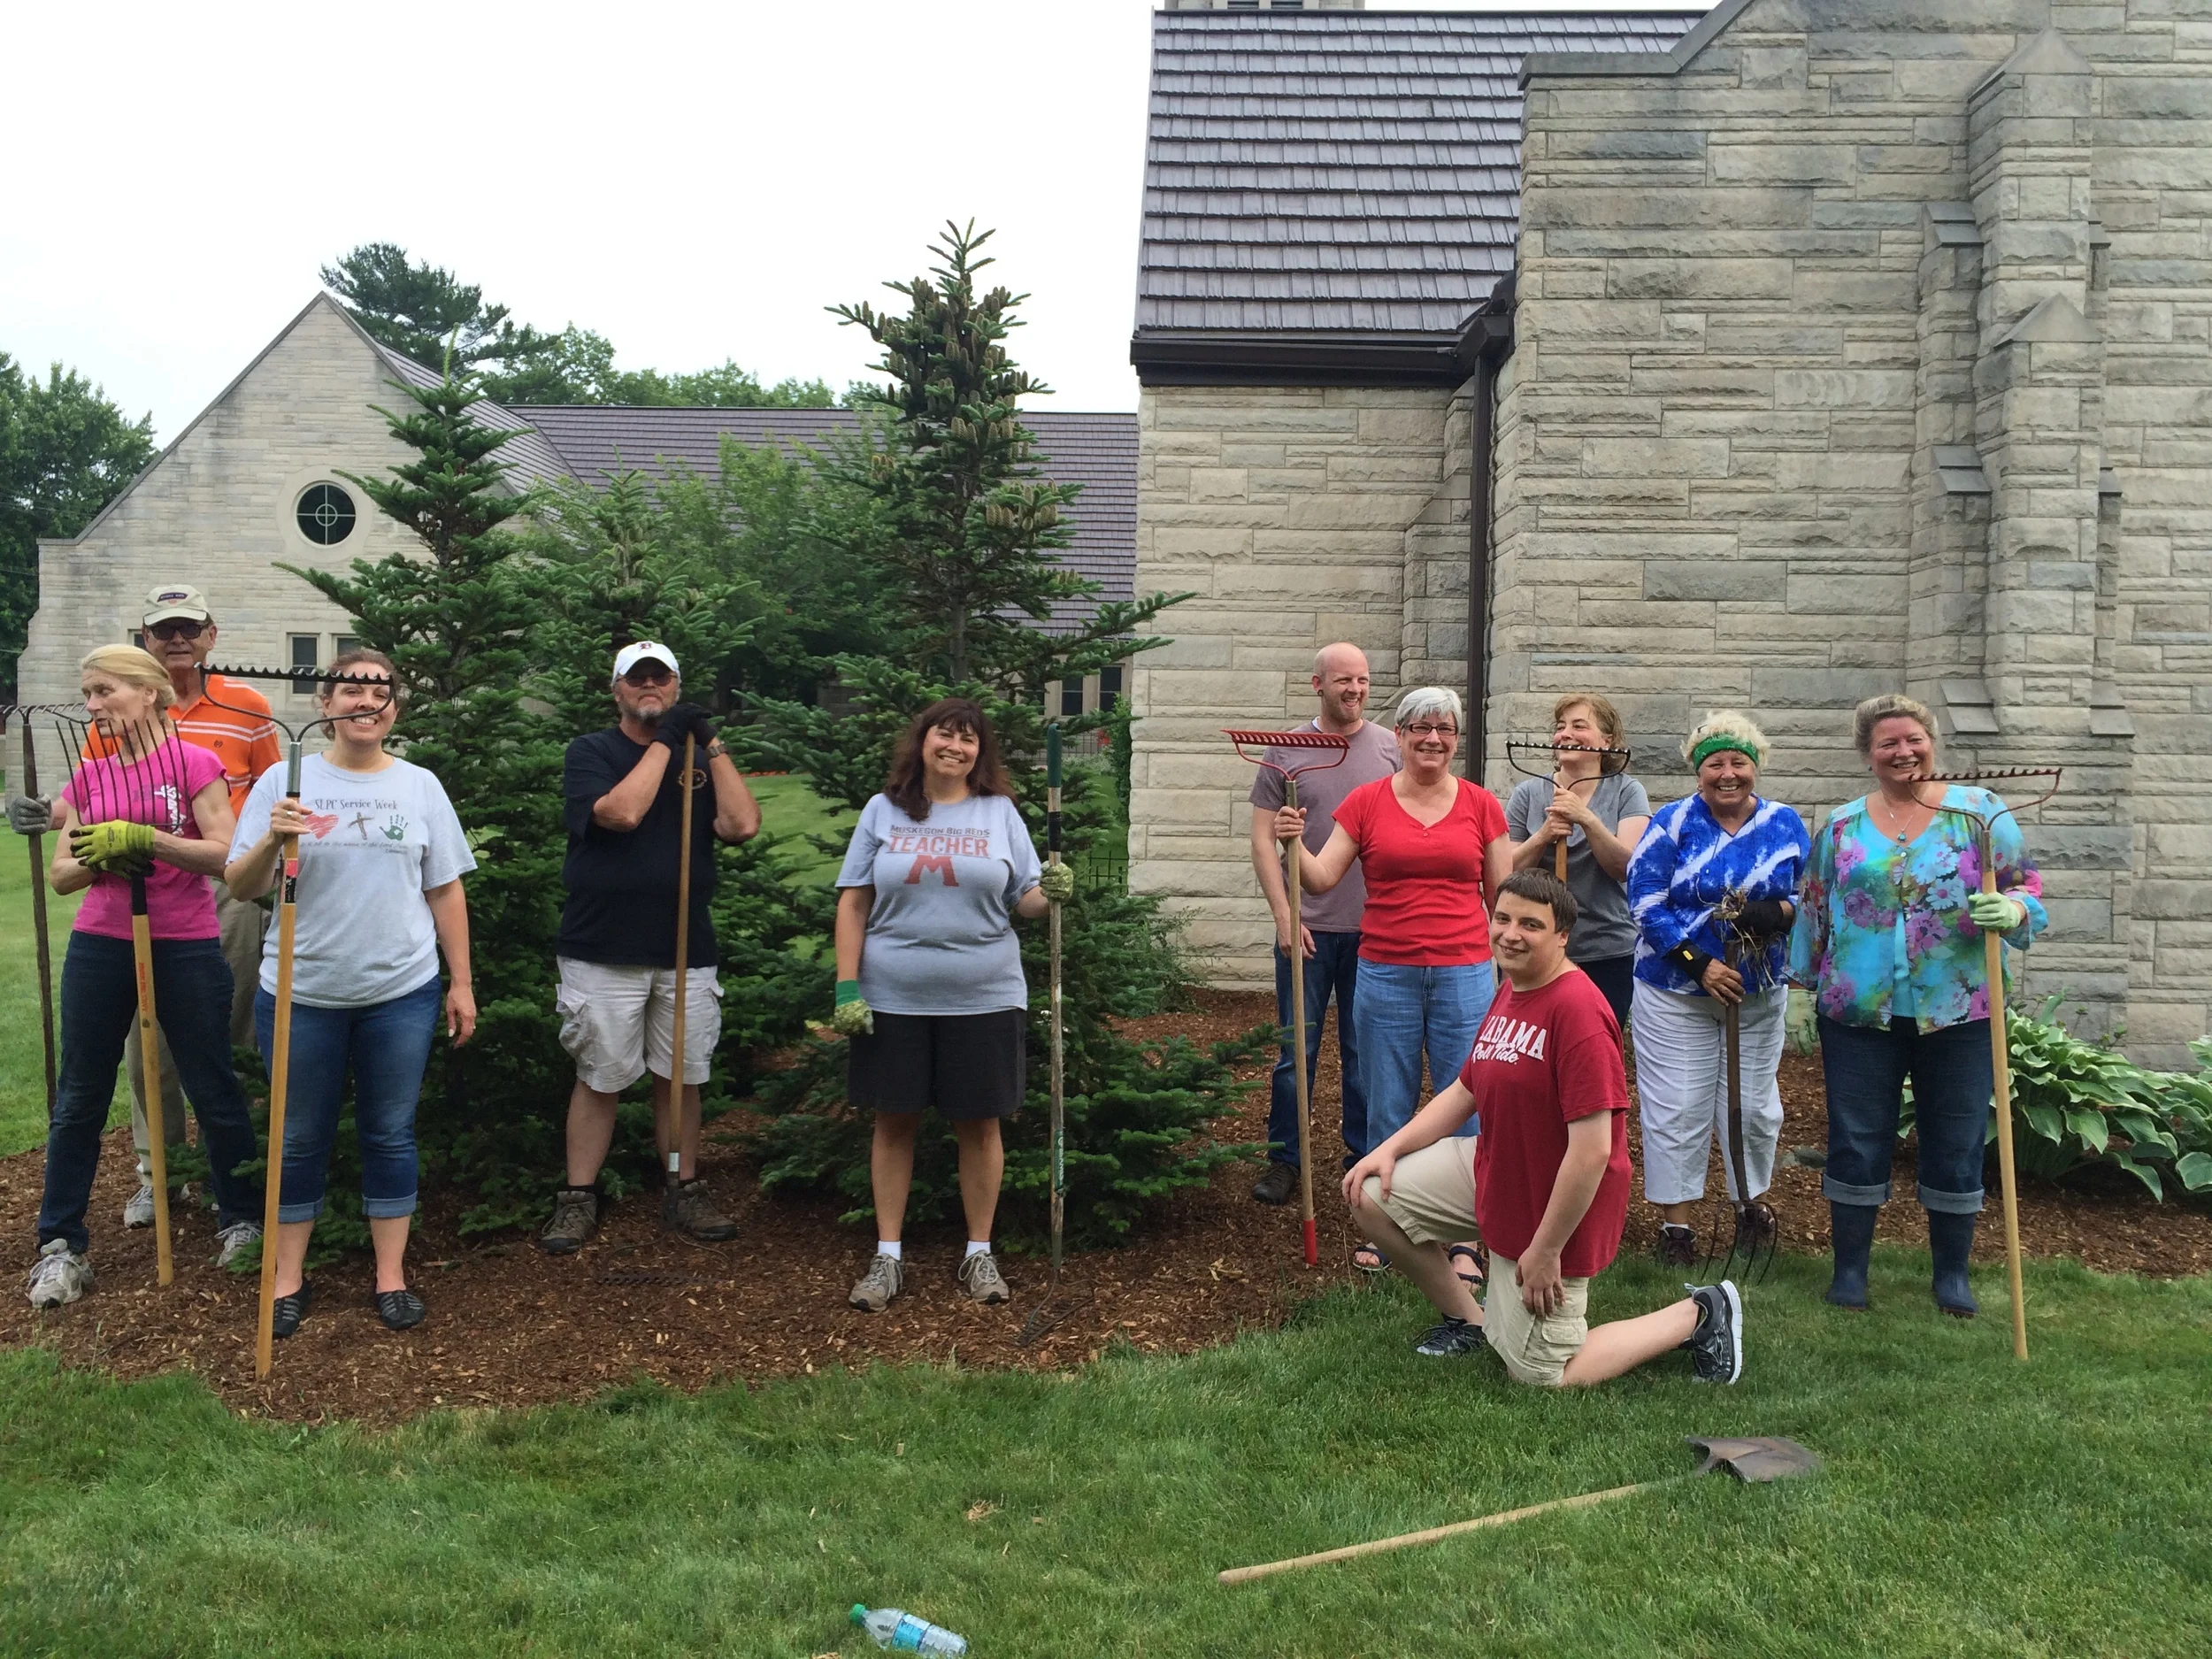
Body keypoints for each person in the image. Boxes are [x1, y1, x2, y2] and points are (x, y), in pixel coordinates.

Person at [1341, 870, 1743, 1384]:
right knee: (1371, 1193)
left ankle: (1701, 1314)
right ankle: (1470, 1320)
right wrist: (1388, 1149)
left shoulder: (1578, 1012)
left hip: (1556, 1207)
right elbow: (1465, 1091)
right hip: (1498, 1171)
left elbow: (1593, 1152)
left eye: (1530, 924)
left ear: (1562, 936)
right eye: (1503, 918)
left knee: (1543, 1376)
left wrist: (1546, 1249)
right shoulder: (1511, 989)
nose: (1510, 933)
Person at [5, 584, 278, 1230]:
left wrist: (156, 840)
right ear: (149, 639)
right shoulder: (99, 755)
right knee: (131, 1061)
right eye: (164, 628)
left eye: (105, 692)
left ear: (209, 633)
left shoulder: (240, 714)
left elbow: (257, 807)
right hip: (112, 927)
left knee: (218, 1057)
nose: (177, 637)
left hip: (212, 904)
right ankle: (154, 1180)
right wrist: (50, 820)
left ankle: (231, 1194)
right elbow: (69, 837)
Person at [225, 650, 476, 1335]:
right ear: (325, 703)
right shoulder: (286, 777)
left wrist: (461, 981)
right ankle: (286, 1281)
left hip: (400, 991)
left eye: (380, 690)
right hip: (301, 992)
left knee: (389, 1133)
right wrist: (274, 841)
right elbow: (243, 888)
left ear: (395, 705)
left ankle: (390, 1276)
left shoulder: (420, 786)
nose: (366, 700)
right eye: (351, 688)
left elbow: (445, 886)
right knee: (299, 1137)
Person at [1789, 694, 2047, 1316]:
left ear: (1932, 742)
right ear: (1868, 755)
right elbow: (1816, 901)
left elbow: (2026, 889)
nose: (1903, 751)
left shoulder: (1978, 813)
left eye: (1913, 739)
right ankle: (1849, 1271)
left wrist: (2012, 911)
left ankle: (1950, 1275)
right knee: (1855, 1136)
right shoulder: (1845, 825)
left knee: (1955, 1139)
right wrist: (1804, 980)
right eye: (1887, 743)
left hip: (1959, 1009)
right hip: (1858, 1013)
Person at [833, 699, 1074, 1311]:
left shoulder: (1000, 813)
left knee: (980, 1122)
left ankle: (978, 1251)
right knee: (893, 1121)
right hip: (893, 994)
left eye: (968, 739)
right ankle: (887, 1256)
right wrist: (846, 985)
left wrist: (1053, 893)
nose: (955, 747)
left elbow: (1025, 898)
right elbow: (854, 903)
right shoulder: (882, 811)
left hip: (985, 994)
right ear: (922, 742)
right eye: (946, 734)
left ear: (979, 753)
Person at [1275, 685, 1509, 1277]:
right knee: (1388, 1104)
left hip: (1465, 975)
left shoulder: (1483, 805)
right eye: (1420, 727)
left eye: (1445, 729)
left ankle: (1465, 1235)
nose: (1433, 738)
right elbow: (1323, 877)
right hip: (1386, 973)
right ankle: (1389, 1225)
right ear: (1399, 735)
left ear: (1456, 739)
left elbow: (1501, 900)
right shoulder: (1366, 801)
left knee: (1470, 1105)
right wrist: (1291, 841)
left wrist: (1512, 973)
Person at [540, 641, 762, 1255]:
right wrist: (667, 739)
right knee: (600, 1075)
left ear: (675, 683)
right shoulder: (592, 752)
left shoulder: (698, 752)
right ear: (616, 689)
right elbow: (622, 813)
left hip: (687, 948)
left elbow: (741, 824)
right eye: (636, 678)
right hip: (602, 945)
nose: (649, 685)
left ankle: (682, 1186)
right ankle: (578, 1197)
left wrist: (710, 741)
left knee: (681, 1076)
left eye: (660, 677)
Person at [1625, 711, 1807, 1270]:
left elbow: (1805, 895)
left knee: (1753, 1108)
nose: (1727, 774)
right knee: (1679, 1106)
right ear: (1697, 770)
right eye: (1714, 764)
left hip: (1756, 992)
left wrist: (1776, 910)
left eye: (1739, 762)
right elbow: (1645, 901)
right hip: (1675, 993)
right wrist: (1697, 962)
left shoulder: (1784, 822)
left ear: (1756, 766)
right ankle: (1676, 1227)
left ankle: (1748, 1206)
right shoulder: (1673, 822)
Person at [1244, 642, 1401, 1204]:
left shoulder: (1390, 749)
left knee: (1365, 1054)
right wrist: (1285, 916)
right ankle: (1286, 1158)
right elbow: (1263, 840)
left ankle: (1362, 1158)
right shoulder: (1285, 752)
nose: (1355, 690)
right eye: (1343, 681)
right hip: (1306, 931)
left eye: (1362, 680)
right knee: (1297, 1051)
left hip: (1374, 933)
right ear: (1318, 685)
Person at [1504, 693, 1651, 1026]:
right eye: (1560, 727)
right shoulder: (1528, 793)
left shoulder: (1627, 792)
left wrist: (1587, 819)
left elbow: (1626, 867)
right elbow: (1506, 871)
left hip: (1605, 949)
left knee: (1592, 1047)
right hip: (1535, 948)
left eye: (1579, 726)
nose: (1565, 733)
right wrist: (1543, 836)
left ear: (1607, 740)